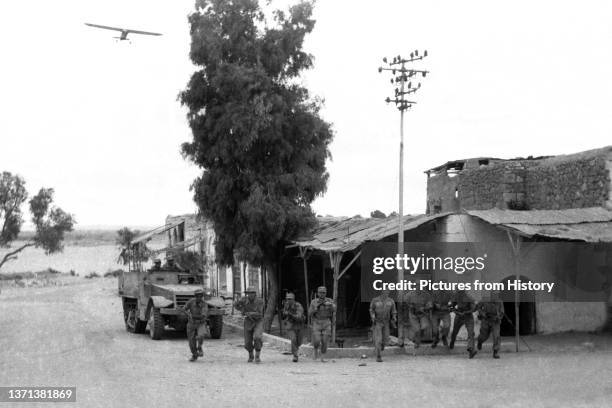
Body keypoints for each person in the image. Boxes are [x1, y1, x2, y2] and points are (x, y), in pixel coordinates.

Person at [234, 287, 265, 363]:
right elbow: (236, 306)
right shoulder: (244, 300)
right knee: (247, 342)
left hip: (258, 321)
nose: (249, 295)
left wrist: (249, 313)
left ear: (255, 294)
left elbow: (260, 313)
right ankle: (251, 354)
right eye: (248, 293)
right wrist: (238, 303)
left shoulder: (260, 301)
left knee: (257, 337)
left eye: (251, 293)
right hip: (248, 321)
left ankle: (257, 355)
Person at [308, 286, 336, 362]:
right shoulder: (314, 302)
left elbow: (334, 309)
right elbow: (309, 313)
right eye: (320, 292)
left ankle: (323, 355)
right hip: (317, 322)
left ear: (326, 293)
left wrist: (330, 305)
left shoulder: (329, 300)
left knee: (325, 340)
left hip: (326, 322)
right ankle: (315, 349)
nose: (322, 294)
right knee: (317, 340)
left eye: (323, 292)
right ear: (317, 293)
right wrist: (315, 309)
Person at [181, 288, 208, 362]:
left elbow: (203, 315)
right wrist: (188, 314)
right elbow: (184, 309)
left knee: (201, 335)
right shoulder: (191, 301)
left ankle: (199, 347)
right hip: (191, 323)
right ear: (195, 296)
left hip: (201, 323)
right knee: (191, 342)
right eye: (197, 296)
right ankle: (194, 355)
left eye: (200, 296)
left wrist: (193, 316)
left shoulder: (204, 304)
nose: (199, 297)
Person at [369, 289, 397, 362]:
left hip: (386, 322)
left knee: (385, 339)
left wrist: (394, 317)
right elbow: (371, 309)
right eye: (385, 291)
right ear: (382, 292)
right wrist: (373, 316)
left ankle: (382, 346)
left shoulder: (391, 301)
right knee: (378, 339)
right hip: (378, 322)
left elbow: (394, 311)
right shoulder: (375, 300)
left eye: (388, 292)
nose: (386, 293)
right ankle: (378, 356)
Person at [449, 289, 477, 359]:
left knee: (471, 333)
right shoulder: (456, 297)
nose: (459, 293)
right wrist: (455, 311)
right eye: (458, 292)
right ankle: (452, 341)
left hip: (468, 316)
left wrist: (466, 312)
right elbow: (452, 306)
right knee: (455, 331)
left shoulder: (469, 298)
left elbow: (473, 309)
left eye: (460, 292)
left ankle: (471, 350)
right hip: (459, 316)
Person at [476, 291, 504, 359]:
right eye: (494, 295)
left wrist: (499, 317)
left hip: (495, 322)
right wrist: (482, 313)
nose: (495, 297)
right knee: (483, 336)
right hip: (486, 320)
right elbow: (478, 307)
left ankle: (495, 351)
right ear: (491, 295)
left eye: (496, 295)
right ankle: (480, 342)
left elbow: (502, 312)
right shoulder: (485, 300)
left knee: (496, 336)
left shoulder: (500, 302)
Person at [282, 292, 306, 362]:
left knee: (299, 342)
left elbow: (298, 317)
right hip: (290, 325)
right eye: (287, 299)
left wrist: (289, 314)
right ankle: (295, 355)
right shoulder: (286, 305)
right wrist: (284, 314)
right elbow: (284, 315)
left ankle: (296, 350)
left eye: (290, 299)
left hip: (299, 325)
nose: (288, 300)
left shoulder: (298, 306)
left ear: (293, 299)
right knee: (293, 339)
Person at [430, 282, 453, 349]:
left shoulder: (449, 293)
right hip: (435, 312)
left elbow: (452, 303)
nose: (442, 287)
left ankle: (444, 337)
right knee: (435, 329)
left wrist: (449, 306)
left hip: (445, 312)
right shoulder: (435, 293)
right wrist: (434, 304)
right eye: (441, 285)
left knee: (447, 326)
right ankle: (435, 339)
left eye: (444, 285)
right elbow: (431, 301)